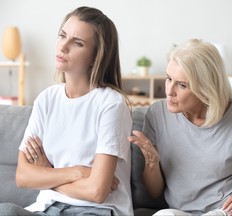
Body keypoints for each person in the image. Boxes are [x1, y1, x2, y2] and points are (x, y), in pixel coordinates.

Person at [0, 6, 133, 216]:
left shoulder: (111, 104)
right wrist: (78, 173)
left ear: (95, 56)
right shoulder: (46, 99)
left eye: (77, 43)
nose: (63, 46)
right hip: (48, 207)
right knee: (5, 210)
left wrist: (47, 174)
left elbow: (97, 192)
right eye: (62, 35)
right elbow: (23, 177)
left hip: (96, 210)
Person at [128, 39, 232, 216]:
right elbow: (155, 192)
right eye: (169, 78)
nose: (169, 91)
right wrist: (152, 163)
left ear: (206, 88)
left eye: (182, 85)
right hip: (187, 212)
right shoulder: (157, 114)